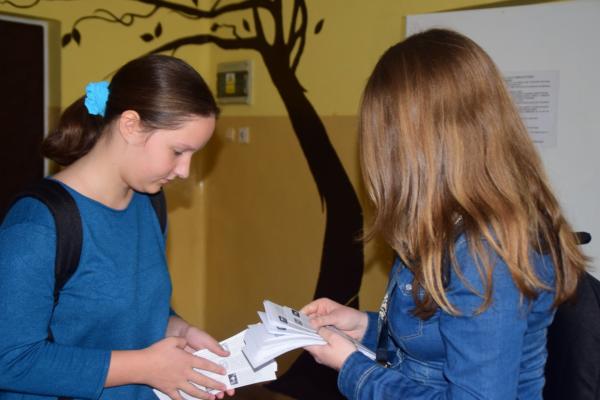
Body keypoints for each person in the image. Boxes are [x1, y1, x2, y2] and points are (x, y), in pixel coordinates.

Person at [302, 29, 587, 399]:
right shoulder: (439, 225)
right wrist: (363, 327)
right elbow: (438, 342)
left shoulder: (486, 255)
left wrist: (352, 367)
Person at [0, 55, 234, 400]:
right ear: (130, 125)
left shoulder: (149, 203)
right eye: (178, 151)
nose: (185, 171)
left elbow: (131, 312)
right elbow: (11, 361)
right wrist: (144, 367)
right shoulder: (38, 225)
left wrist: (179, 330)